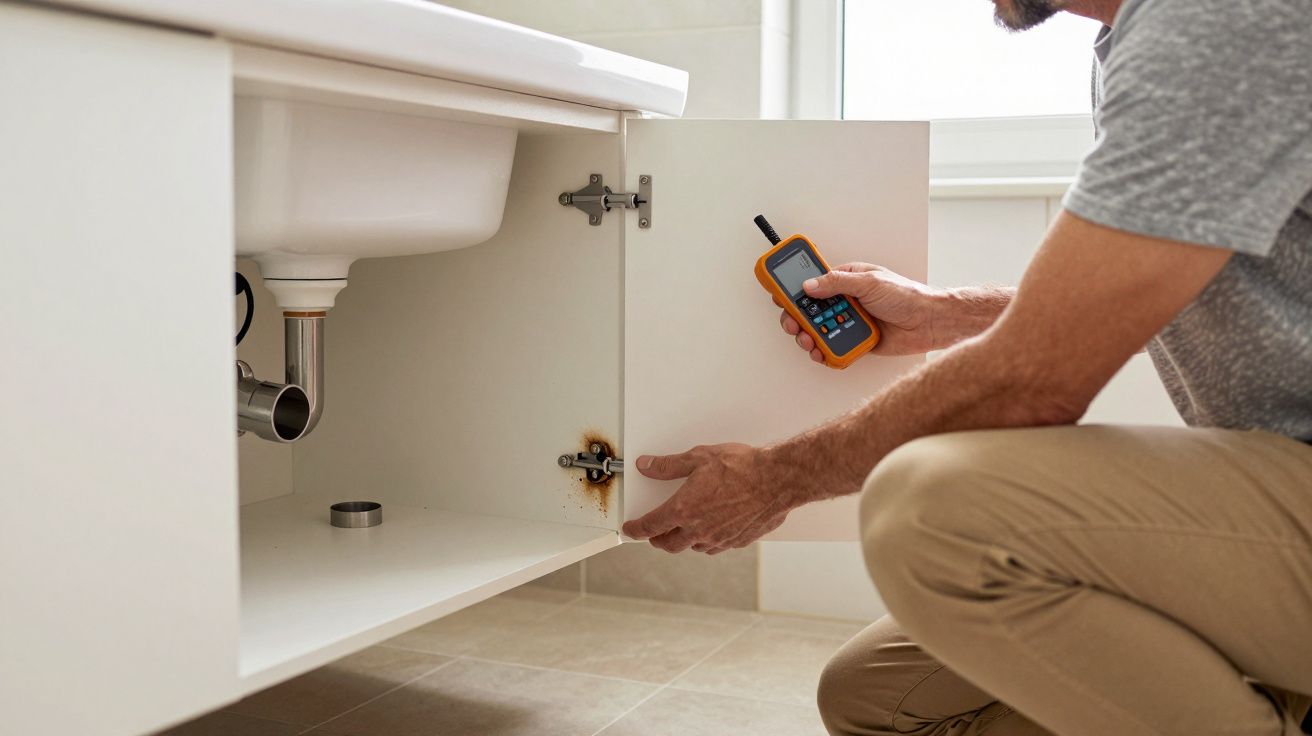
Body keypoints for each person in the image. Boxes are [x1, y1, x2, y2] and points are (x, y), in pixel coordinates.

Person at [621, 0, 1312, 733]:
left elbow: (1034, 381)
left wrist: (773, 479)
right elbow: (1160, 288)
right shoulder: (1135, 39)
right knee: (878, 699)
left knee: (929, 509)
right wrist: (944, 313)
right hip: (1280, 473)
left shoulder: (1219, 20)